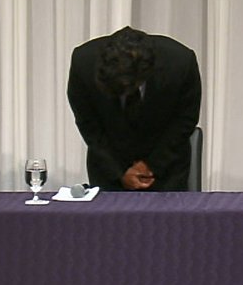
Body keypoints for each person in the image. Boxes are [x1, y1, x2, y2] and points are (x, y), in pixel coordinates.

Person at [67, 26, 201, 191]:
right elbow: (87, 123)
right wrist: (119, 172)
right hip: (109, 171)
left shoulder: (180, 63)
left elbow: (185, 120)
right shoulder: (84, 63)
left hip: (166, 169)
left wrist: (150, 165)